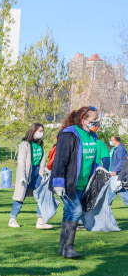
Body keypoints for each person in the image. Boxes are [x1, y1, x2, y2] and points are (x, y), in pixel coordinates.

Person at [49, 106, 101, 259]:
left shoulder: (92, 136)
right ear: (84, 121)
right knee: (76, 211)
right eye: (94, 120)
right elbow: (60, 160)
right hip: (67, 183)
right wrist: (58, 182)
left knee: (69, 212)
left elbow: (90, 159)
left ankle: (62, 248)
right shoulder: (69, 135)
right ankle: (68, 248)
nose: (97, 122)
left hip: (82, 184)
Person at [9, 123, 53, 229]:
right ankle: (12, 219)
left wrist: (45, 171)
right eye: (39, 131)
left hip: (38, 172)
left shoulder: (40, 144)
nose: (41, 133)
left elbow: (42, 159)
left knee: (42, 195)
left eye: (42, 131)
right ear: (33, 131)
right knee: (20, 196)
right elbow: (21, 161)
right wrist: (22, 176)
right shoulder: (25, 144)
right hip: (28, 172)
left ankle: (40, 221)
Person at [109, 136, 128, 208]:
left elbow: (122, 161)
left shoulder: (121, 149)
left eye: (111, 140)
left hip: (118, 173)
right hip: (112, 171)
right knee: (120, 189)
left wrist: (116, 170)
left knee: (113, 188)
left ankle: (107, 203)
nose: (110, 141)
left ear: (116, 141)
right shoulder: (113, 148)